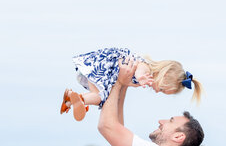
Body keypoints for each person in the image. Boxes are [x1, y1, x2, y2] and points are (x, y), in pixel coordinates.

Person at [60, 48, 202, 121]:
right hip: (102, 68)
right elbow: (139, 72)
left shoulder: (146, 73)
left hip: (97, 71)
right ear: (163, 76)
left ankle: (71, 100)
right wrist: (140, 79)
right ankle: (80, 99)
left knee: (101, 98)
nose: (158, 91)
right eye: (163, 89)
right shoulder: (145, 69)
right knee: (100, 97)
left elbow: (124, 83)